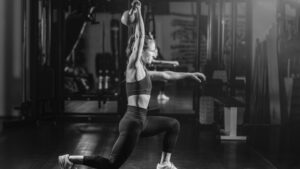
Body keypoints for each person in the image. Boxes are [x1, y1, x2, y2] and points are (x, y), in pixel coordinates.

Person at [58, 1, 206, 169]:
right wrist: (139, 13)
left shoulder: (144, 71)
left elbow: (167, 74)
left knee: (173, 124)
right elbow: (139, 37)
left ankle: (164, 164)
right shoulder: (133, 66)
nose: (154, 54)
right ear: (141, 51)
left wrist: (190, 74)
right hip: (132, 124)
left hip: (142, 121)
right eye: (152, 51)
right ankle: (69, 159)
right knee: (111, 165)